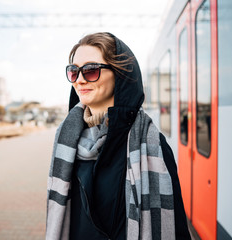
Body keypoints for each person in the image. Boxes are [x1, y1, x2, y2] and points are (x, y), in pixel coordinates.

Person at [46, 32, 191, 240]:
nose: (79, 80)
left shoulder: (150, 143)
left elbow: (175, 228)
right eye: (73, 71)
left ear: (120, 74)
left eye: (90, 70)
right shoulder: (66, 140)